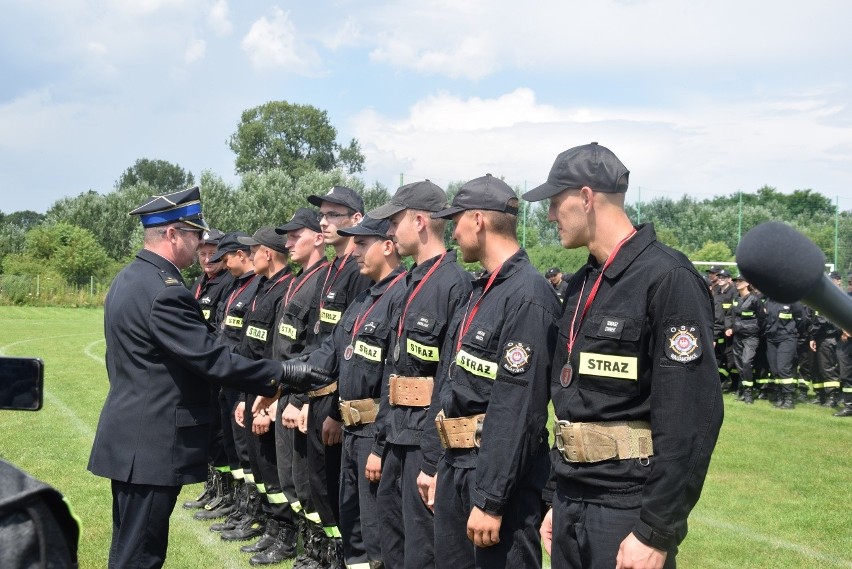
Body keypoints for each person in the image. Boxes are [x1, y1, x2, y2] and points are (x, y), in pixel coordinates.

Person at [87, 187, 321, 569]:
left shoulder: (130, 279)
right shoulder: (165, 293)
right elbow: (212, 360)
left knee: (129, 548)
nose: (202, 246)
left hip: (131, 434)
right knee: (140, 555)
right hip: (152, 441)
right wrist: (283, 373)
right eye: (195, 235)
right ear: (172, 233)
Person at [525, 142, 723, 569]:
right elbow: (573, 402)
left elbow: (690, 418)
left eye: (555, 202)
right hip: (572, 501)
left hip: (625, 510)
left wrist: (656, 530)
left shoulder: (668, 278)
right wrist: (557, 496)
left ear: (585, 197)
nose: (549, 215)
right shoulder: (582, 285)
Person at [421, 174, 560, 569]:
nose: (452, 232)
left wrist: (491, 499)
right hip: (457, 467)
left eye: (456, 221)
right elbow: (450, 381)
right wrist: (434, 463)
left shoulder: (529, 295)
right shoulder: (479, 290)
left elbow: (519, 408)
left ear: (478, 220)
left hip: (498, 479)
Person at [368, 180, 473, 569]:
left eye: (395, 220)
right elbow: (390, 371)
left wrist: (432, 458)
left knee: (423, 553)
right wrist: (380, 443)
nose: (390, 231)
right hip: (396, 437)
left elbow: (449, 382)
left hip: (423, 444)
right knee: (393, 546)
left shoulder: (455, 285)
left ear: (420, 220)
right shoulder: (408, 284)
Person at [295, 216, 408, 569]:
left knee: (378, 536)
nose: (354, 251)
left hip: (376, 435)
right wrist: (278, 378)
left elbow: (396, 378)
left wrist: (380, 446)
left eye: (361, 244)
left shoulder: (402, 296)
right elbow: (330, 354)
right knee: (353, 528)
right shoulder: (364, 298)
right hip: (350, 431)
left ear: (387, 246)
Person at [304, 186, 373, 566]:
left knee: (339, 490)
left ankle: (340, 554)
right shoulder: (333, 269)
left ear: (357, 220)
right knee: (323, 484)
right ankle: (333, 551)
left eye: (334, 215)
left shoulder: (359, 273)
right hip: (317, 392)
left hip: (337, 401)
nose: (324, 221)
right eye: (322, 215)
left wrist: (333, 408)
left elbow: (351, 355)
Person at [269, 208, 331, 568]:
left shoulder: (324, 281)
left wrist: (300, 399)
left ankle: (321, 551)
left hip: (301, 397)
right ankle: (303, 543)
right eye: (286, 236)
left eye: (295, 235)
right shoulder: (298, 279)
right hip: (284, 392)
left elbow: (316, 350)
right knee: (290, 477)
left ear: (319, 238)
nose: (288, 242)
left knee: (309, 483)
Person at [763, 296, 807, 409]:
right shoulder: (769, 301)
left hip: (787, 338)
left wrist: (792, 331)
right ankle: (780, 395)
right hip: (771, 338)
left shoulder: (793, 300)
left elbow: (801, 320)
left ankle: (789, 398)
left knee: (783, 368)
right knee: (774, 369)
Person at [726, 274, 763, 404]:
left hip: (750, 337)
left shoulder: (754, 299)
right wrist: (730, 327)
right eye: (736, 281)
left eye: (740, 281)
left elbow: (762, 318)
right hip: (738, 336)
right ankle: (742, 389)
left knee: (746, 362)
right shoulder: (736, 299)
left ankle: (748, 393)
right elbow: (731, 315)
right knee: (740, 364)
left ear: (747, 283)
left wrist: (754, 330)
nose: (737, 283)